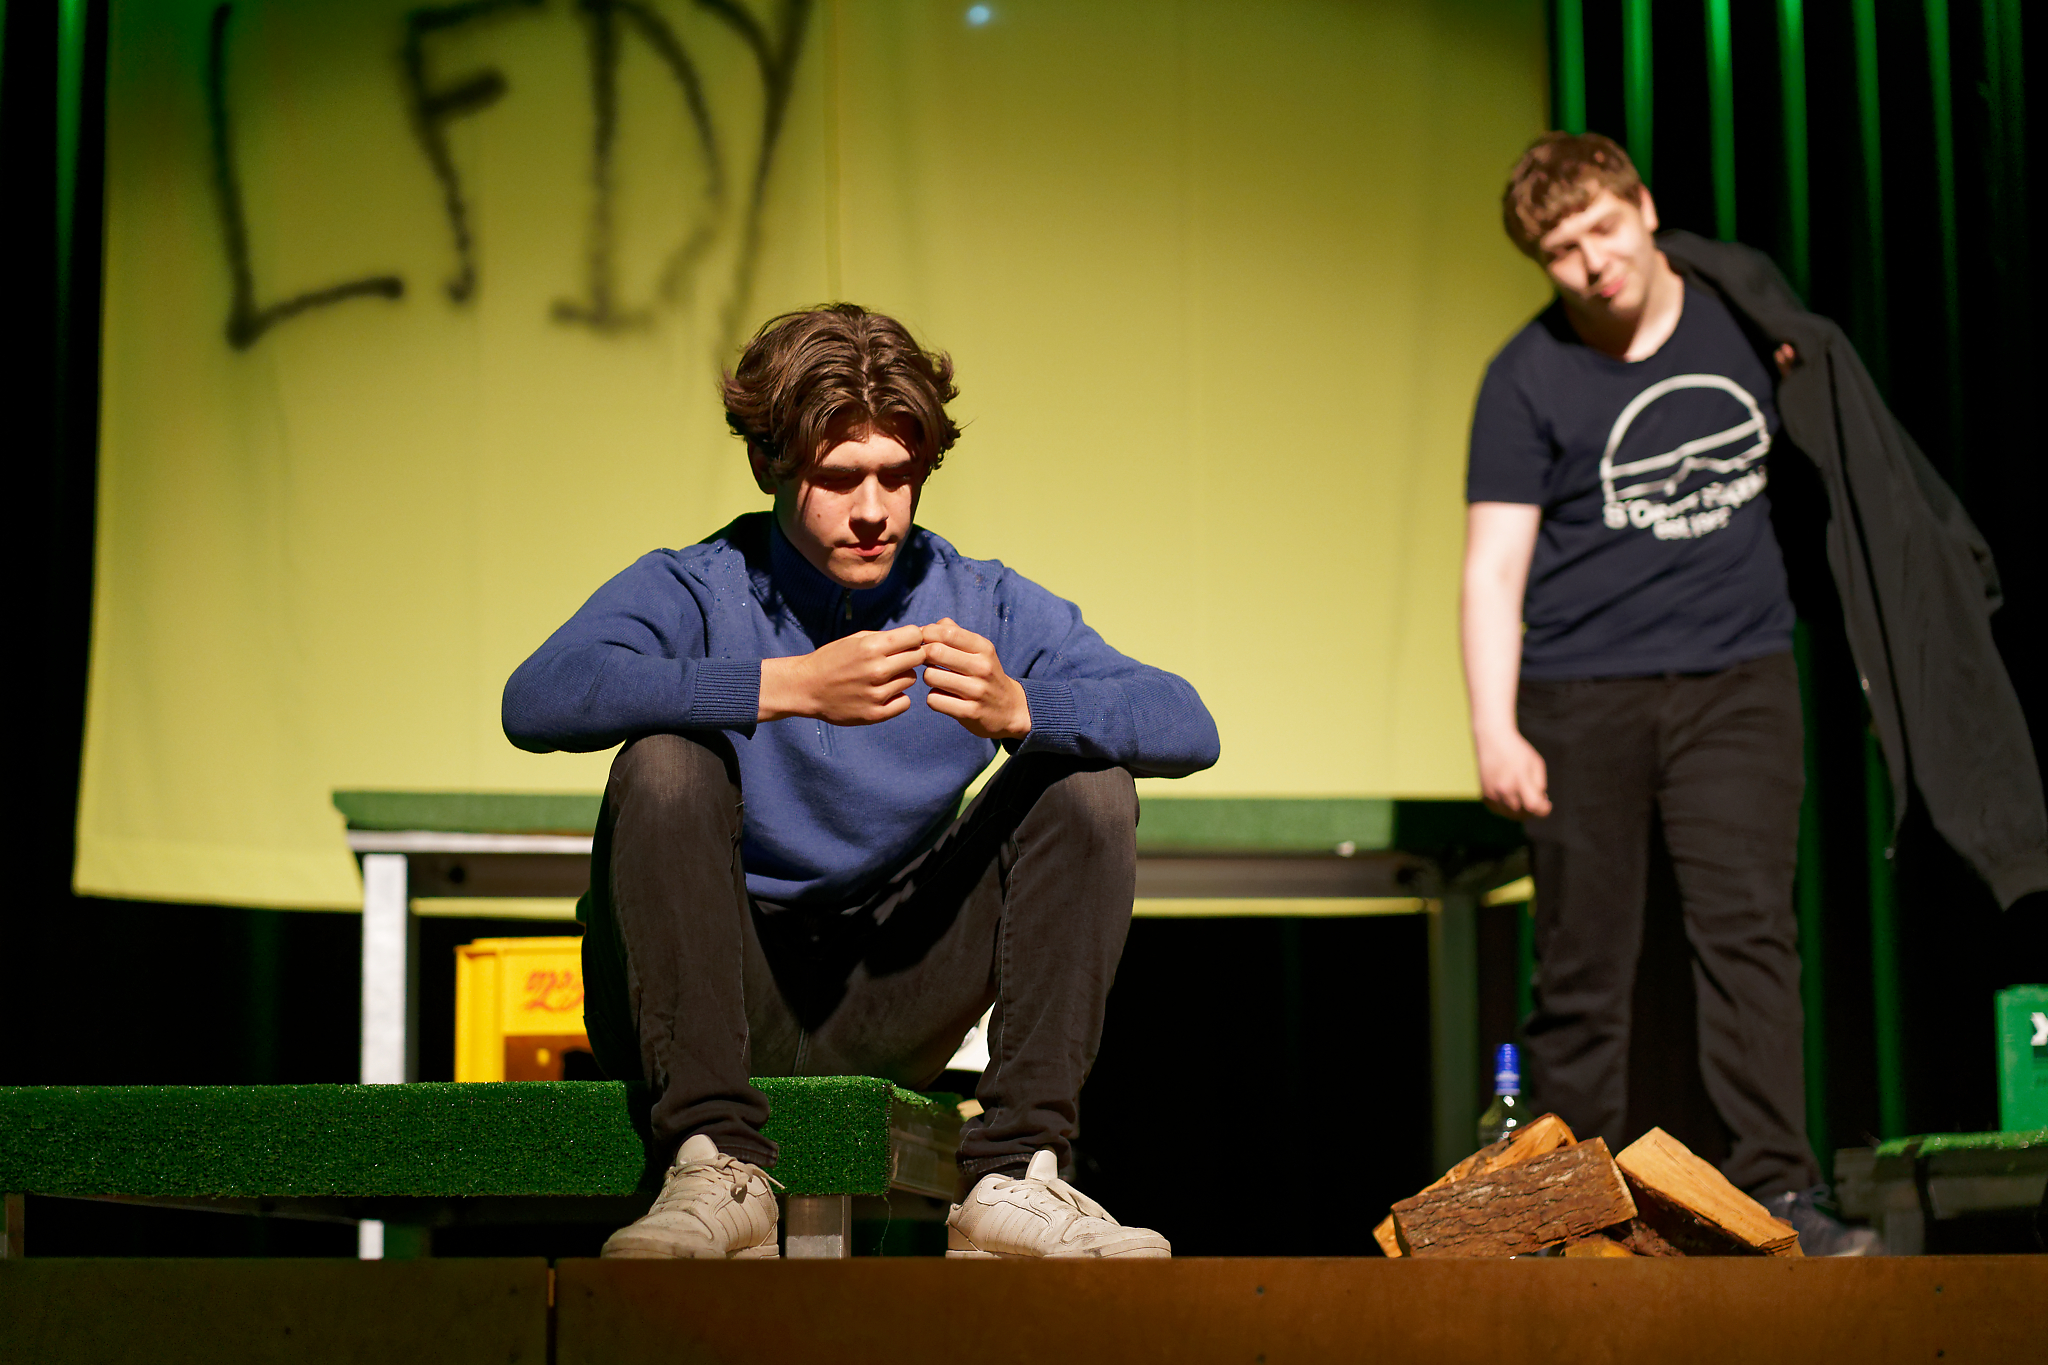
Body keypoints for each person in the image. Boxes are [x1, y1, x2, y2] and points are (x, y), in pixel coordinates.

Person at [503, 303, 1219, 1260]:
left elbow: (1187, 720)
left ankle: (1018, 1170)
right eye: (839, 478)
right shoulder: (701, 585)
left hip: (887, 993)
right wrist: (781, 686)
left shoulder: (977, 598)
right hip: (714, 990)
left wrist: (1022, 707)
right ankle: (711, 1160)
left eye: (898, 475)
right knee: (666, 760)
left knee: (1086, 784)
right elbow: (537, 698)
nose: (874, 509)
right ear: (766, 463)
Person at [1460, 133, 1876, 1253]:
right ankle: (1567, 1217)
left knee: (1749, 940)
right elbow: (1493, 567)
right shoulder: (1526, 376)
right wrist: (1494, 726)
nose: (1593, 261)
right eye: (1562, 249)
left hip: (1737, 680)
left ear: (1643, 207)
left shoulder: (1745, 318)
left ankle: (1780, 1188)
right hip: (1579, 693)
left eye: (1603, 227)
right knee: (1583, 966)